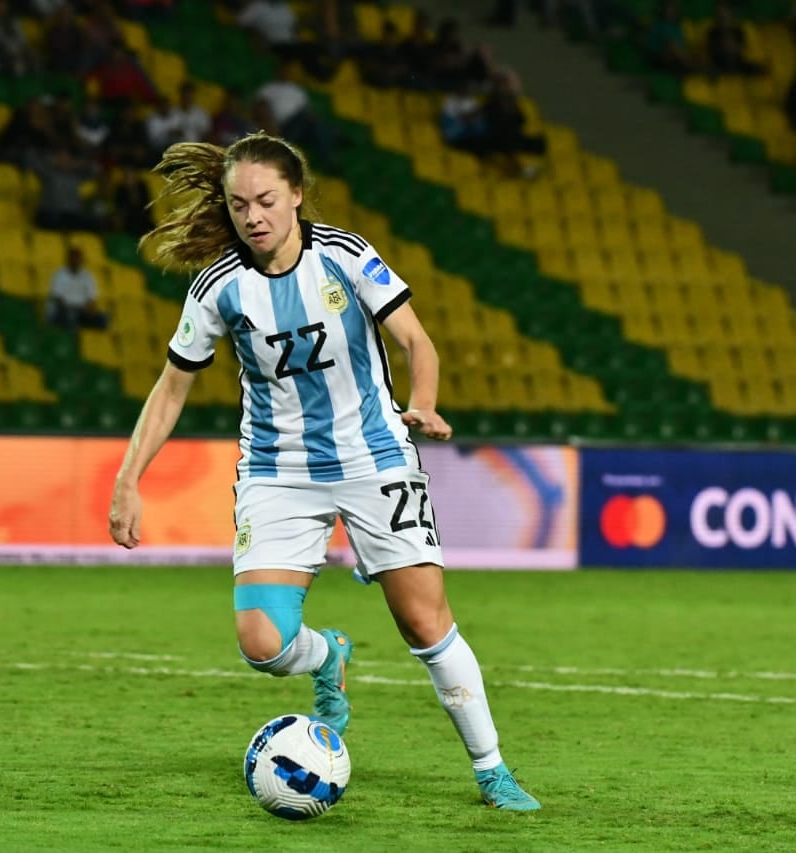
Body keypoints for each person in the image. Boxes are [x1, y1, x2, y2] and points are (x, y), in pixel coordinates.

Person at [107, 133, 540, 811]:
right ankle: (328, 656)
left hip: (373, 455)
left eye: (266, 200)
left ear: (297, 194)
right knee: (261, 642)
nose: (253, 216)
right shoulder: (219, 288)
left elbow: (416, 341)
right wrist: (128, 478)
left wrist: (423, 401)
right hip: (278, 470)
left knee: (423, 622)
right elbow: (170, 389)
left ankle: (492, 770)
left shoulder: (346, 255)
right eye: (239, 204)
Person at [46, 245, 108, 329]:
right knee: (70, 316)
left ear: (82, 260)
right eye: (73, 258)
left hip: (81, 311)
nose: (76, 261)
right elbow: (57, 299)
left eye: (78, 258)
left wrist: (89, 310)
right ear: (68, 259)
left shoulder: (87, 276)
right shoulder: (59, 274)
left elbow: (92, 299)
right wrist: (72, 309)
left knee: (102, 319)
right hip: (62, 310)